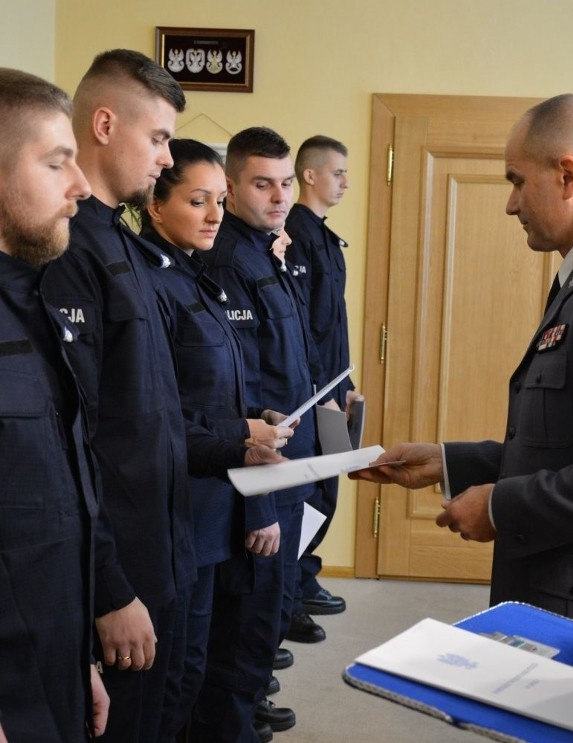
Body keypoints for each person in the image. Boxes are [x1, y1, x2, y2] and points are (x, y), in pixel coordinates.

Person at [40, 50, 279, 742]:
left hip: (165, 551)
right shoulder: (68, 250)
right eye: (158, 138)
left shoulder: (124, 244)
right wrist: (111, 586)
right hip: (123, 572)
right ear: (106, 124)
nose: (166, 155)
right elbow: (74, 441)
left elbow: (152, 414)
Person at [351, 93, 573, 626]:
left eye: (516, 181)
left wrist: (498, 507)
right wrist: (449, 462)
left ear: (567, 176)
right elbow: (565, 443)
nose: (510, 205)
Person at [140, 138, 293, 742]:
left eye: (219, 202)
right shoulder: (153, 285)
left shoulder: (195, 277)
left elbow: (220, 390)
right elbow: (160, 413)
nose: (214, 216)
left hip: (213, 504)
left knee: (191, 668)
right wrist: (245, 432)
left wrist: (257, 415)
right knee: (174, 679)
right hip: (182, 504)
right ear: (155, 205)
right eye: (197, 201)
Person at [200, 126, 338, 733]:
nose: (279, 196)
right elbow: (243, 391)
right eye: (263, 184)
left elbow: (293, 360)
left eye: (285, 183)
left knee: (269, 618)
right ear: (231, 187)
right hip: (264, 478)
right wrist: (258, 505)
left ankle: (247, 713)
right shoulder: (227, 260)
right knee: (243, 634)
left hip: (293, 468)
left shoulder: (266, 250)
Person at [0, 68, 108, 739]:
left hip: (53, 666)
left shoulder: (33, 303)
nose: (82, 187)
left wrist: (79, 661)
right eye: (56, 163)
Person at [285, 135, 362, 616]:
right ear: (310, 175)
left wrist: (346, 383)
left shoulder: (325, 238)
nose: (346, 183)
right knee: (311, 491)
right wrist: (321, 392)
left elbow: (333, 322)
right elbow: (300, 326)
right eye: (338, 173)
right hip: (313, 395)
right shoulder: (294, 234)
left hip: (333, 388)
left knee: (328, 486)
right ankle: (291, 585)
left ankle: (301, 576)